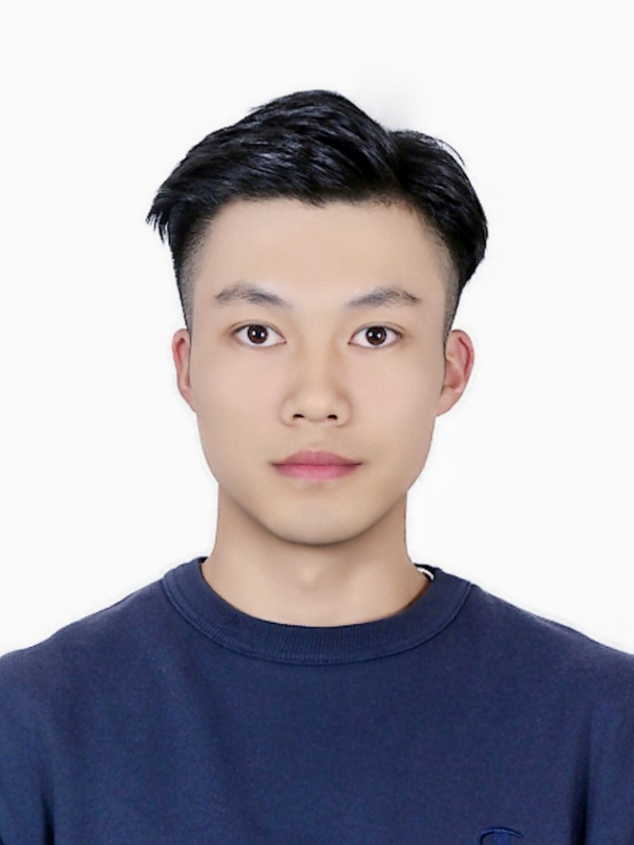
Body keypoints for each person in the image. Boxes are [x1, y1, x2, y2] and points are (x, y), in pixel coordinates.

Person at [0, 89, 632, 844]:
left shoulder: (603, 725)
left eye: (375, 334)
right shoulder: (30, 727)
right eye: (258, 332)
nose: (317, 399)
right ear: (188, 366)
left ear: (450, 370)